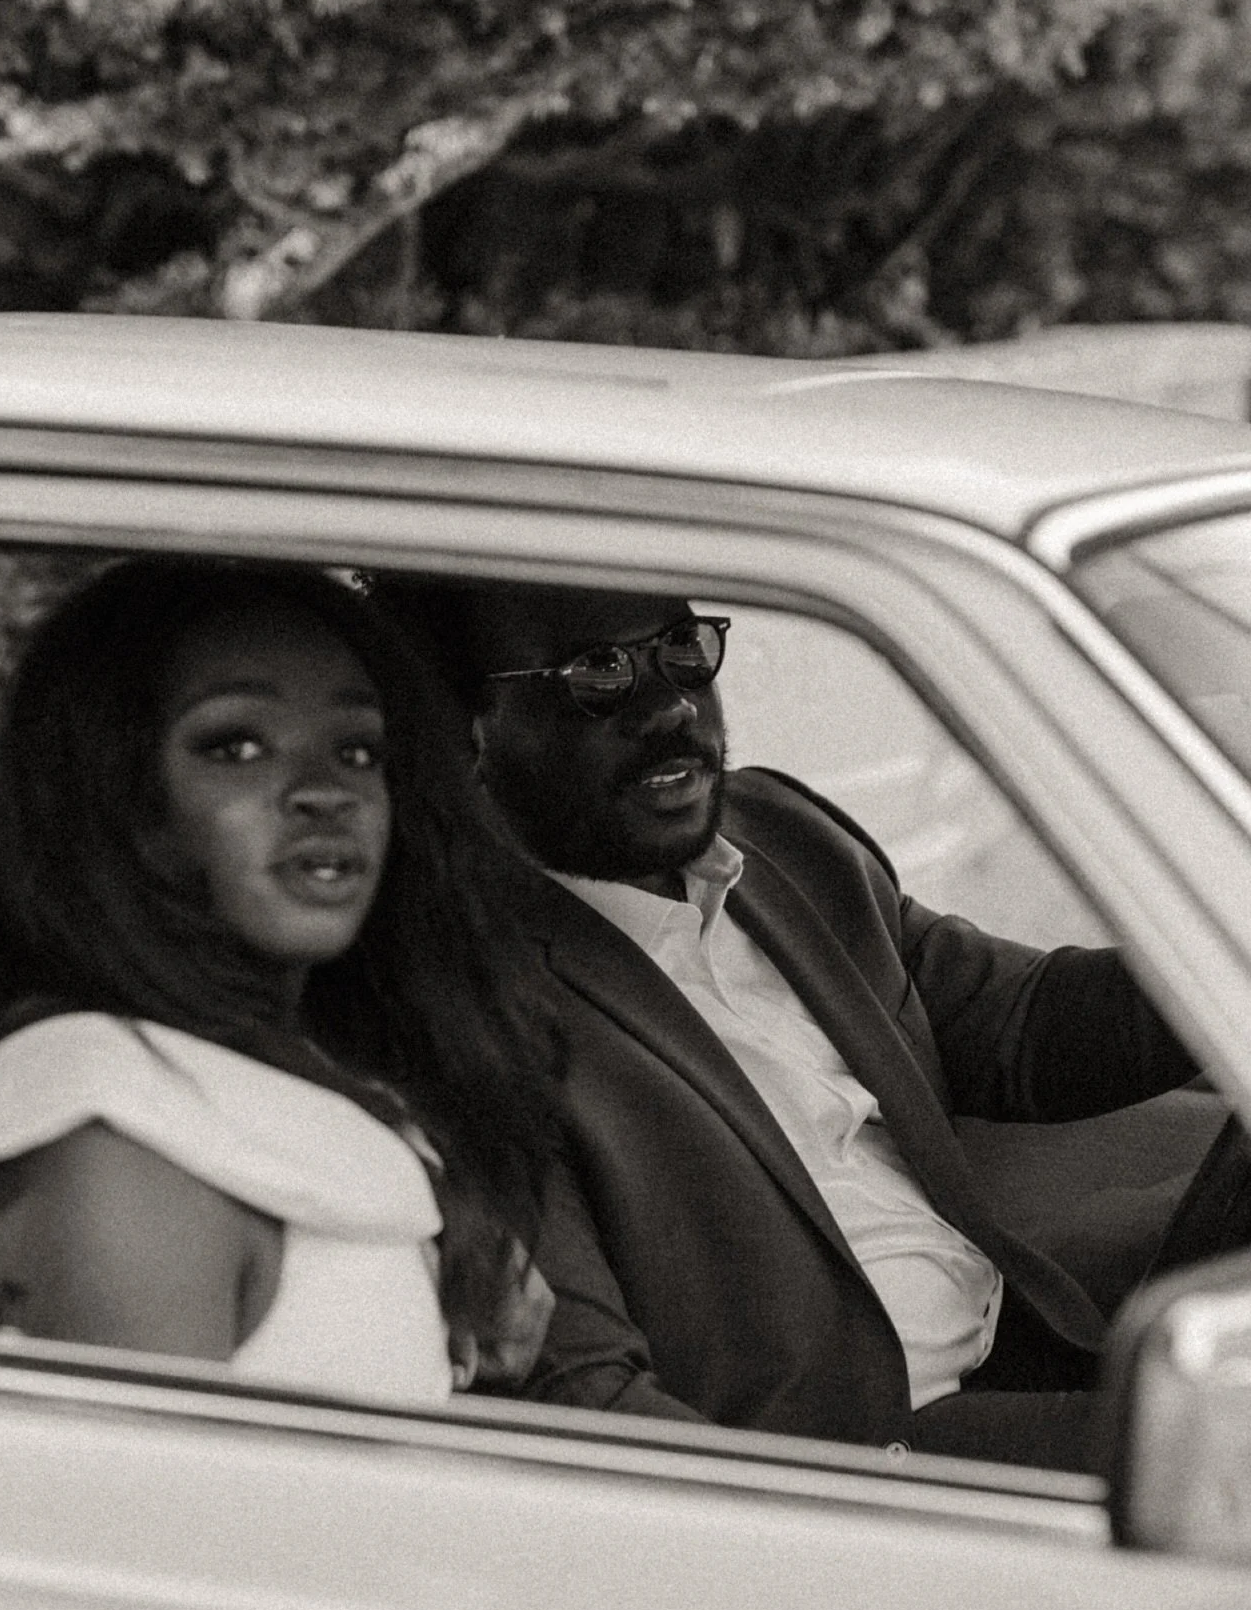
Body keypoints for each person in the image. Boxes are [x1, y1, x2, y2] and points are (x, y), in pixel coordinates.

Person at [380, 574, 1232, 1472]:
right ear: (466, 732)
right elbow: (591, 1394)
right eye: (599, 673)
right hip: (859, 1459)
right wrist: (809, 1521)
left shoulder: (783, 838)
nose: (671, 705)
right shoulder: (464, 1012)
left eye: (682, 649)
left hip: (1022, 1349)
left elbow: (1023, 1025)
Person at [0, 557, 559, 1403]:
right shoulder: (115, 1139)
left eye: (358, 750)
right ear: (119, 795)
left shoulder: (296, 1075)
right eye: (237, 746)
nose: (326, 792)